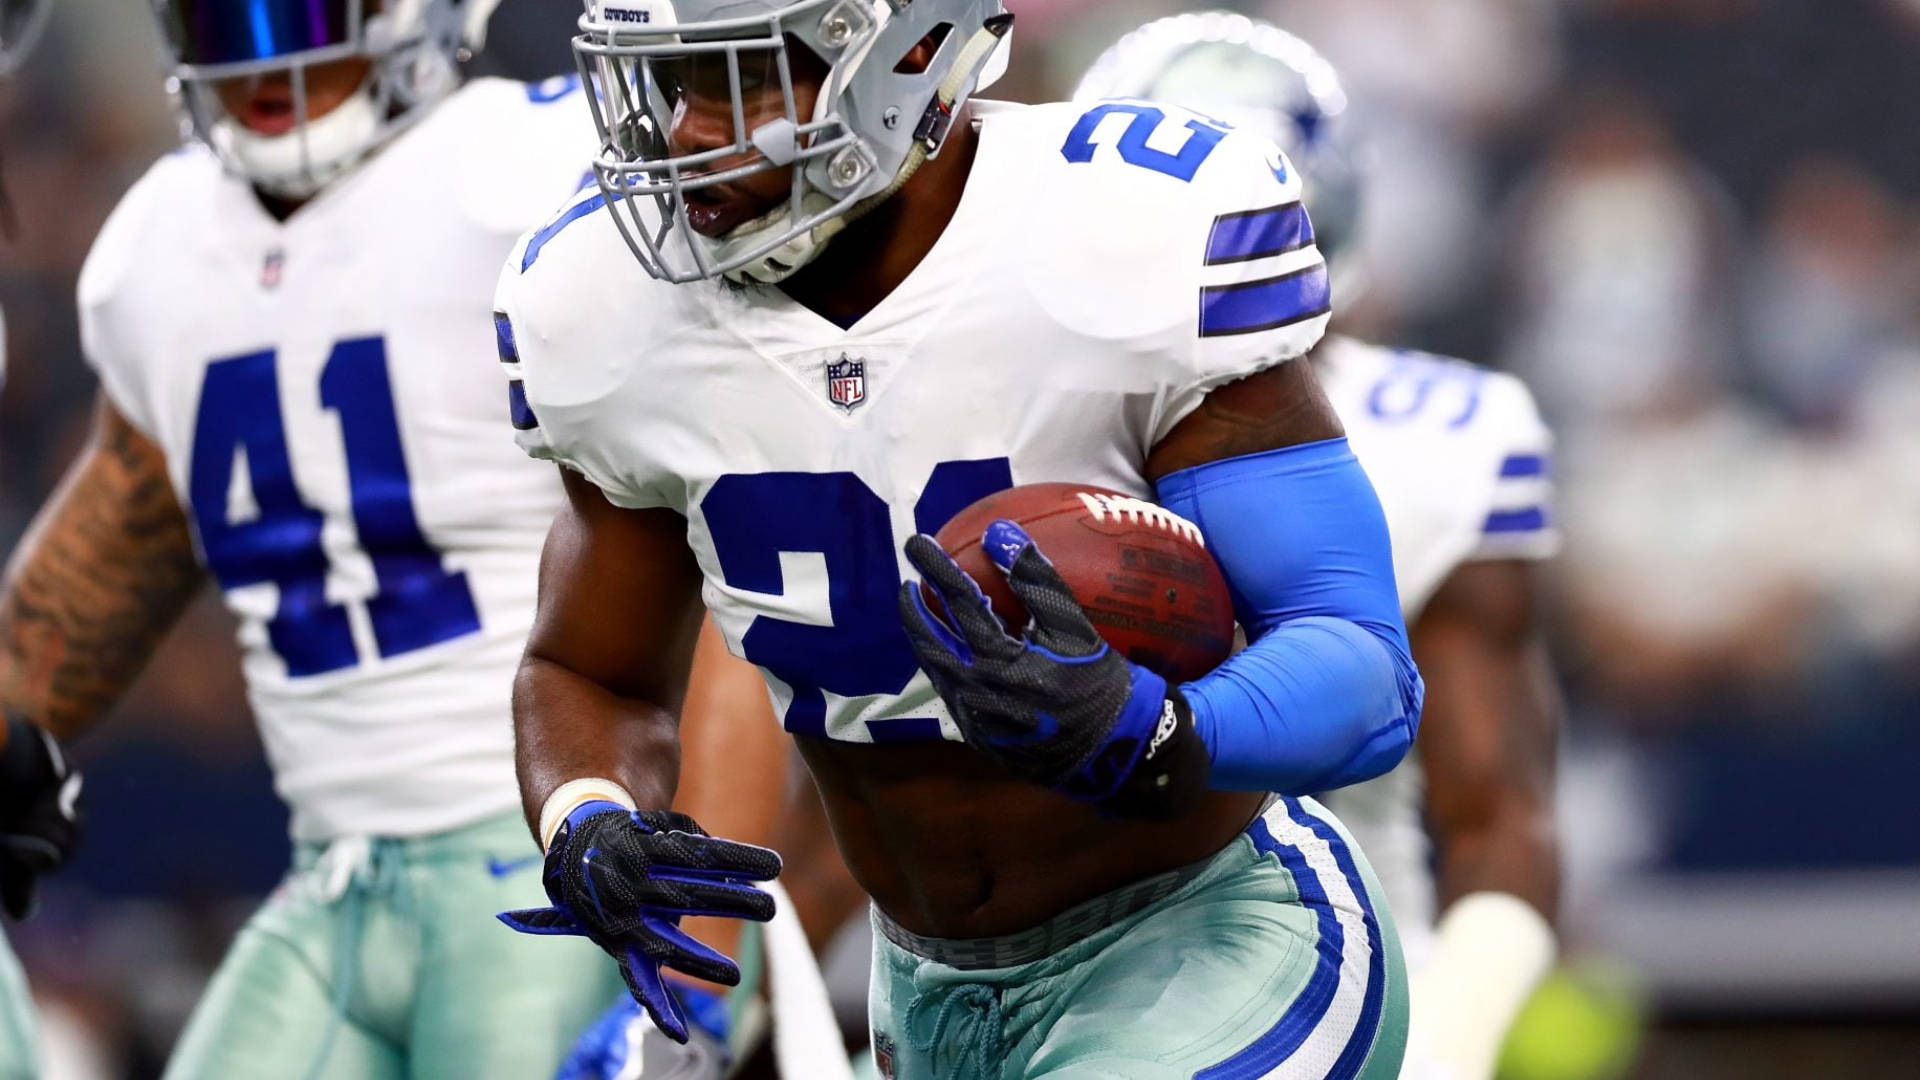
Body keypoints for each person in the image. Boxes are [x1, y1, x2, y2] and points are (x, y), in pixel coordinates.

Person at [495, 1, 1424, 1076]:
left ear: (912, 51)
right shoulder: (605, 307)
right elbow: (586, 671)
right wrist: (587, 818)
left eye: (745, 80)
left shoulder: (1126, 233)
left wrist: (1160, 730)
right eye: (672, 86)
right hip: (926, 989)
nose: (693, 131)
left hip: (1214, 937)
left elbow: (1362, 671)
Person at [0, 2, 630, 1075]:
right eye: (225, 17)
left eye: (295, 11)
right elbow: (115, 541)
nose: (266, 57)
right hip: (327, 874)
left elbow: (710, 534)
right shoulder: (158, 246)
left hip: (556, 854)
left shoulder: (542, 169)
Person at [1075, 15, 1563, 1080]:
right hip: (1053, 991)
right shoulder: (997, 419)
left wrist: (1448, 1043)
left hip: (1346, 991)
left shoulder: (1444, 440)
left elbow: (1501, 816)